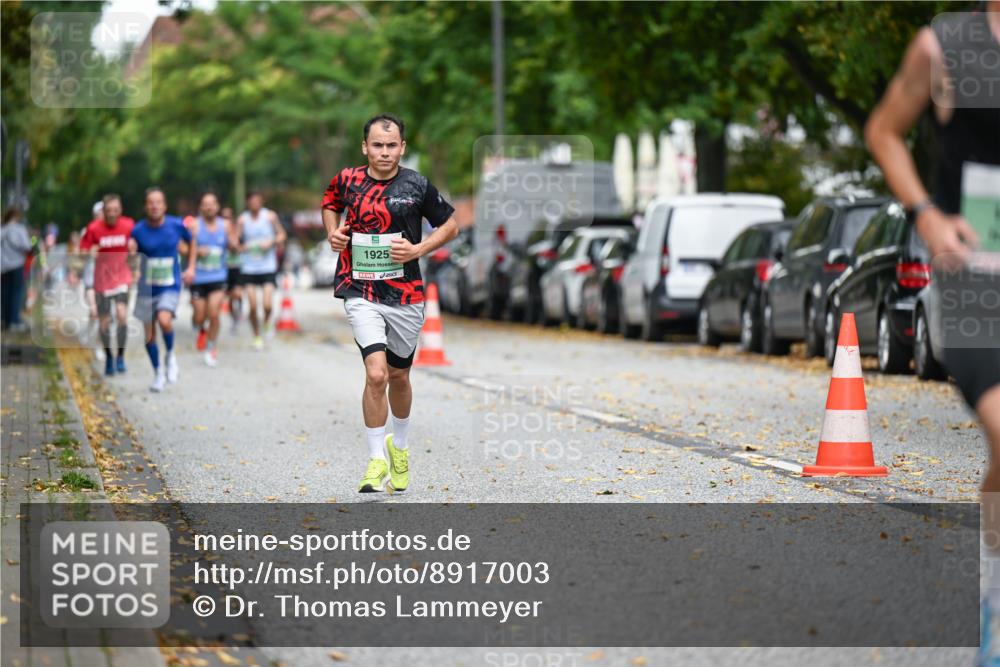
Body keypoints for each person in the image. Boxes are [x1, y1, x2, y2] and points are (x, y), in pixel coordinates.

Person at [865, 3, 1000, 662]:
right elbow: (885, 130)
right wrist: (925, 215)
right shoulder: (946, 46)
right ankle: (997, 610)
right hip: (976, 276)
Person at [321, 113, 459, 493]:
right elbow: (329, 203)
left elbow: (450, 224)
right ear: (365, 147)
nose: (384, 152)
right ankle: (375, 461)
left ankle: (399, 447)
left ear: (402, 147)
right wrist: (334, 235)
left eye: (391, 145)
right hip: (360, 288)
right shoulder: (347, 180)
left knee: (399, 375)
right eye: (377, 145)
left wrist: (419, 248)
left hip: (406, 294)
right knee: (376, 374)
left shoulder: (416, 184)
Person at [129, 187, 196, 392]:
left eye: (158, 202)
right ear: (145, 206)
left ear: (165, 206)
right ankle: (158, 372)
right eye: (150, 202)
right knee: (149, 336)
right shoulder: (138, 230)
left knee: (164, 320)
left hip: (170, 285)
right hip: (147, 289)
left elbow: (192, 241)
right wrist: (133, 266)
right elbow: (132, 258)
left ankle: (170, 356)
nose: (155, 206)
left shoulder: (176, 225)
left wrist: (191, 266)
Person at [79, 194, 135, 376]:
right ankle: (109, 356)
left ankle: (120, 355)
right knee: (104, 322)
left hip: (122, 278)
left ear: (121, 210)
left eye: (115, 210)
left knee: (121, 315)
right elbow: (81, 252)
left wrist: (135, 257)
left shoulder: (128, 225)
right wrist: (89, 252)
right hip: (102, 281)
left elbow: (137, 248)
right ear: (103, 211)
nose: (112, 214)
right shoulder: (93, 228)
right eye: (108, 210)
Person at [189, 192, 234, 367]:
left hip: (218, 276)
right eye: (205, 204)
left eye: (212, 203)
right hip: (199, 277)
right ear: (201, 207)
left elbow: (233, 244)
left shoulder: (226, 225)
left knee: (214, 313)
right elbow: (186, 247)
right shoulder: (194, 225)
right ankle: (201, 329)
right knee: (200, 316)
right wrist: (195, 257)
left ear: (217, 206)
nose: (209, 207)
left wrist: (236, 245)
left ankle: (211, 346)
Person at [237, 191, 285, 350]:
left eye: (258, 201)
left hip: (267, 267)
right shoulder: (242, 219)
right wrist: (240, 246)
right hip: (249, 267)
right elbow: (234, 240)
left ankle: (266, 322)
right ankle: (256, 335)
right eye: (252, 201)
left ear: (262, 202)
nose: (255, 204)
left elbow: (282, 235)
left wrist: (271, 242)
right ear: (247, 203)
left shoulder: (270, 216)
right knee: (252, 306)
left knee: (267, 305)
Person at [1, 207, 32, 332]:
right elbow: (27, 246)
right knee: (16, 293)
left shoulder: (2, 229)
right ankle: (14, 320)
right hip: (17, 264)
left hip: (3, 266)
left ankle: (5, 319)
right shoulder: (19, 229)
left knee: (4, 293)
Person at [221, 206, 244, 332]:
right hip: (225, 268)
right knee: (230, 297)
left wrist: (237, 247)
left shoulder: (238, 231)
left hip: (238, 267)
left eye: (228, 217)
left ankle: (239, 310)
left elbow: (243, 247)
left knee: (237, 294)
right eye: (224, 217)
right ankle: (234, 318)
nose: (226, 219)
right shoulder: (218, 231)